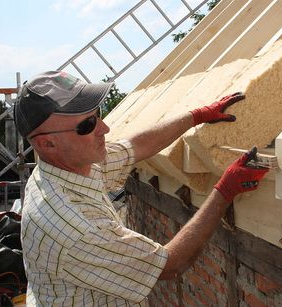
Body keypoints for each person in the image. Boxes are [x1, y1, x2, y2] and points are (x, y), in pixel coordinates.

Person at [14, 71, 268, 306]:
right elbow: (169, 265)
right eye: (87, 125)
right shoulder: (74, 225)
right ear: (47, 144)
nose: (104, 128)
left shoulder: (70, 165)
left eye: (98, 114)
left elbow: (136, 147)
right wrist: (225, 191)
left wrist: (197, 116)